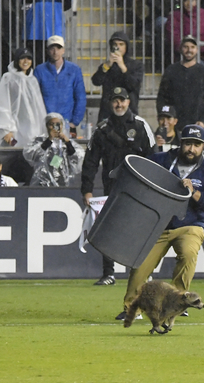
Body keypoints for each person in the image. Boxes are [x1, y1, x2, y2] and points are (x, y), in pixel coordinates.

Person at [117, 124, 204, 320]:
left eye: (196, 145)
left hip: (190, 226)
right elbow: (140, 176)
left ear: (203, 146)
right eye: (188, 144)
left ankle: (179, 302)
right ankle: (132, 308)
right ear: (180, 144)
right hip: (159, 225)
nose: (191, 149)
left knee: (189, 253)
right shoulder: (161, 160)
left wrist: (194, 193)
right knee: (140, 266)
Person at [81, 87, 155, 286]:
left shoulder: (141, 126)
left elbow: (154, 158)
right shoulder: (102, 129)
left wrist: (152, 187)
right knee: (108, 231)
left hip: (138, 190)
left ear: (129, 102)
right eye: (115, 100)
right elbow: (90, 162)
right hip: (111, 188)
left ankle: (142, 272)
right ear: (110, 103)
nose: (119, 104)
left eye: (122, 100)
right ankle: (108, 273)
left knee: (137, 231)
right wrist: (87, 190)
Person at [0, 48, 47, 148]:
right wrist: (6, 130)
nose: (26, 61)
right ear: (16, 60)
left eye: (28, 58)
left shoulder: (32, 80)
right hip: (15, 129)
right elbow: (1, 103)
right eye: (22, 58)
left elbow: (38, 107)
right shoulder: (9, 78)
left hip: (32, 128)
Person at [156, 35, 204, 131]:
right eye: (186, 47)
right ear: (180, 49)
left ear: (197, 50)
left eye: (192, 47)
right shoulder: (171, 71)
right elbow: (162, 97)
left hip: (196, 125)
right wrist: (164, 118)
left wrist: (203, 120)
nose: (189, 50)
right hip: (173, 127)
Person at [34, 35, 87, 138]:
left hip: (66, 123)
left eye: (58, 48)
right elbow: (34, 98)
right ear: (48, 50)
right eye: (52, 48)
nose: (55, 52)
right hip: (45, 123)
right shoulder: (39, 71)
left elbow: (80, 97)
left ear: (63, 50)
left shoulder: (74, 70)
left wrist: (74, 122)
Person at [91, 31, 144, 122]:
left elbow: (133, 85)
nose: (117, 47)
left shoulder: (136, 65)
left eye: (121, 44)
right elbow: (96, 81)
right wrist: (107, 65)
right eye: (115, 44)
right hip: (108, 113)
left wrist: (123, 67)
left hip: (128, 112)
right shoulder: (107, 66)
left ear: (126, 47)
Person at [165, 0, 204, 72]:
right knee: (199, 66)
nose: (189, 3)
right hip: (185, 54)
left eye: (192, 0)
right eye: (185, 0)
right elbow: (174, 37)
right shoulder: (175, 16)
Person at [23, 112, 85, 187]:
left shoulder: (68, 142)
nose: (54, 127)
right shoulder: (39, 140)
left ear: (62, 125)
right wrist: (49, 140)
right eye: (51, 124)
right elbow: (30, 155)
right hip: (41, 182)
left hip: (64, 183)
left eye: (58, 124)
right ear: (46, 126)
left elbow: (78, 159)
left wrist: (67, 143)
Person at [22, 0, 73, 65]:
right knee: (35, 63)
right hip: (35, 31)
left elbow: (67, 5)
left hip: (55, 30)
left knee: (54, 62)